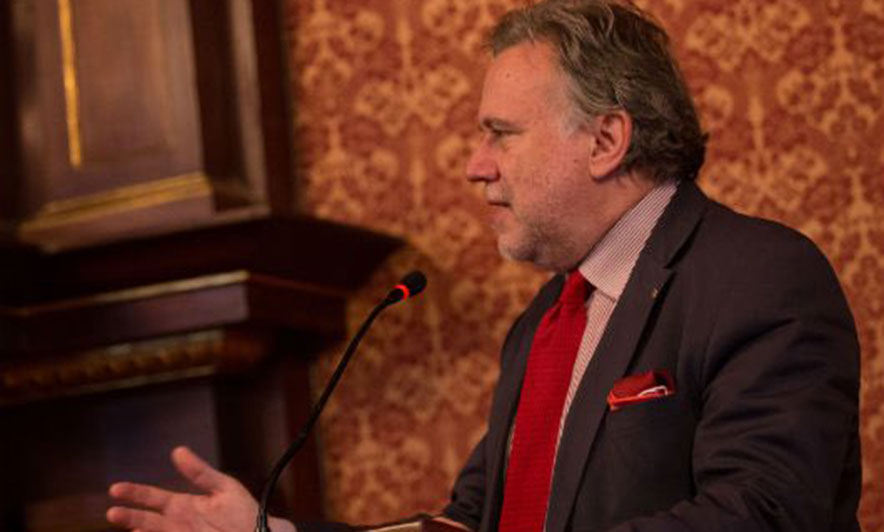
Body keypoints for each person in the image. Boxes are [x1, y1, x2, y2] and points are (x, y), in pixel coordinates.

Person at [107, 1, 861, 531]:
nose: (475, 166)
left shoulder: (758, 275)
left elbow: (763, 514)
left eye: (501, 133)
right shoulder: (544, 323)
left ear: (605, 141)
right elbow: (469, 525)